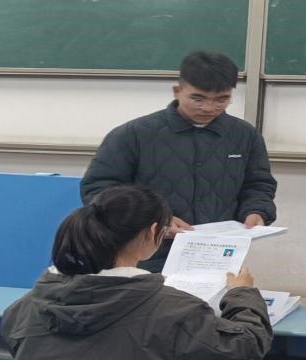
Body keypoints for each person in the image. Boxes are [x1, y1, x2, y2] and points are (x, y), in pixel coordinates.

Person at [1, 186, 272, 360]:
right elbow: (243, 348)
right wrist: (242, 293)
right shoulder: (175, 311)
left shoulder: (27, 305)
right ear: (153, 233)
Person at [81, 50, 277, 272]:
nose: (209, 108)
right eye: (197, 99)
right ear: (177, 91)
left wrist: (256, 211)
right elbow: (99, 190)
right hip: (144, 257)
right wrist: (153, 220)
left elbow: (258, 184)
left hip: (217, 255)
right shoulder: (133, 135)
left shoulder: (244, 135)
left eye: (221, 100)